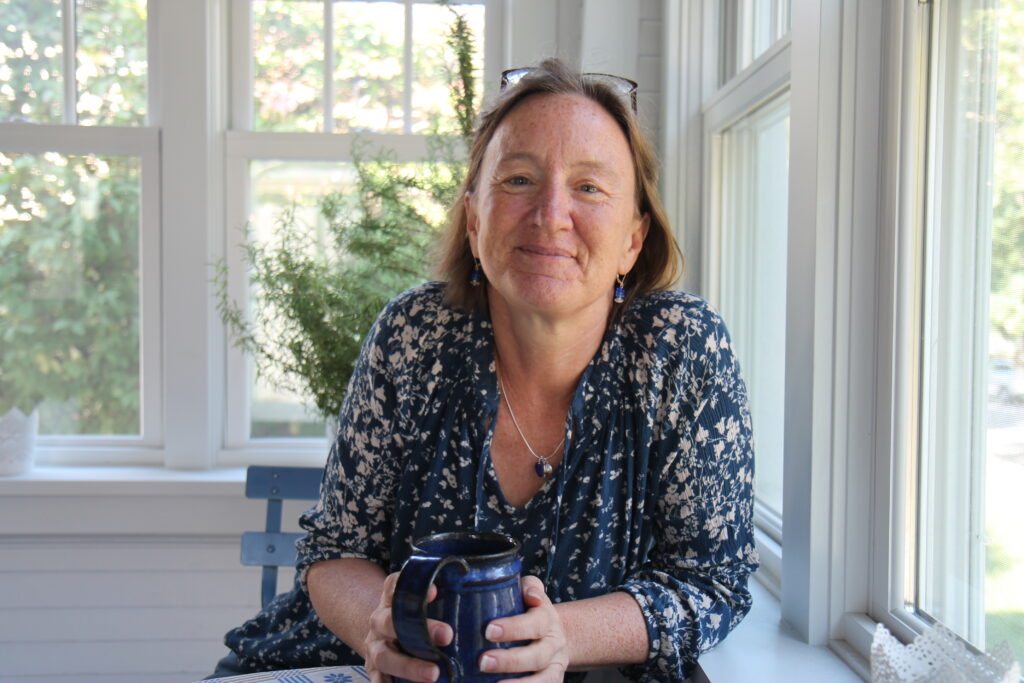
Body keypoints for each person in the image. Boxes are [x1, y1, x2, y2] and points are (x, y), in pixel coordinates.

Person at [211, 58, 757, 682]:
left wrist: (558, 639)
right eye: (519, 179)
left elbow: (713, 580)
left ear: (634, 239)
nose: (551, 214)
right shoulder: (412, 335)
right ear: (474, 221)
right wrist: (380, 630)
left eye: (589, 187)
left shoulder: (681, 350)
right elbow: (335, 552)